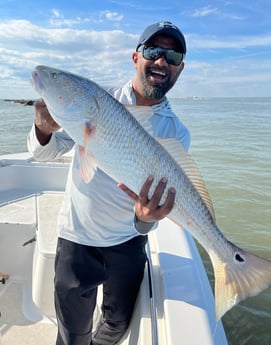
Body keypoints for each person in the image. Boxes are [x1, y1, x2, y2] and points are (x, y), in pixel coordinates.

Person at [27, 21, 190, 345]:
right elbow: (43, 154)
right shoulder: (97, 100)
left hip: (128, 242)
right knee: (73, 333)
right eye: (154, 51)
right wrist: (43, 129)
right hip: (78, 237)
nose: (161, 61)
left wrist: (145, 220)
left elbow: (157, 206)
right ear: (136, 57)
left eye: (171, 57)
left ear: (179, 69)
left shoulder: (177, 132)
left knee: (116, 326)